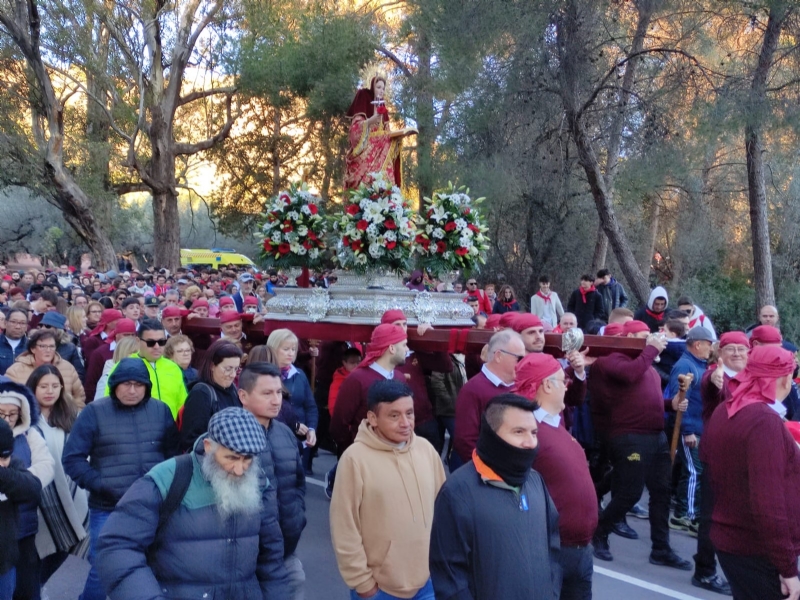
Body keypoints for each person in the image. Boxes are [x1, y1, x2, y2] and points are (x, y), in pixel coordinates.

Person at [95, 407, 289, 599]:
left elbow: (270, 559)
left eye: (248, 460)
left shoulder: (259, 483)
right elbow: (117, 545)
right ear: (208, 446)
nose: (239, 470)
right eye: (231, 458)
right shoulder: (169, 477)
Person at [63, 357, 178, 600]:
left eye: (139, 384)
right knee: (103, 568)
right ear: (114, 384)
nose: (132, 390)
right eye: (126, 384)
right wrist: (101, 485)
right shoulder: (95, 412)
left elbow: (173, 456)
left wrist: (164, 490)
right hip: (108, 507)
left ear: (147, 386)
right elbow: (72, 459)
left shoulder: (160, 410)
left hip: (152, 506)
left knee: (150, 565)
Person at [429, 394, 560, 600]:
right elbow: (450, 579)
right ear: (492, 435)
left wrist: (551, 593)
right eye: (519, 432)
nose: (530, 442)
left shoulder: (535, 482)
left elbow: (552, 549)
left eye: (534, 432)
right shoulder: (457, 493)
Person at [588, 320, 692, 569]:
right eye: (643, 336)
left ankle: (661, 548)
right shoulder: (610, 360)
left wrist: (671, 405)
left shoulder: (648, 367)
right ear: (628, 336)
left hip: (655, 436)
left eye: (650, 336)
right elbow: (629, 375)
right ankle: (599, 532)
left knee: (661, 491)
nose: (650, 339)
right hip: (628, 435)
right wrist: (652, 349)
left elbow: (650, 399)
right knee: (630, 492)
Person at [330, 380, 444, 600]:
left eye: (409, 414)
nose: (405, 423)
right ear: (373, 418)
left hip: (427, 584)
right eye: (394, 415)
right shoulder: (355, 459)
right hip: (379, 590)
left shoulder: (426, 451)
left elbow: (444, 511)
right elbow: (344, 526)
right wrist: (363, 584)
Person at [702, 345, 800, 600]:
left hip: (733, 538)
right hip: (757, 549)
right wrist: (787, 567)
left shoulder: (727, 409)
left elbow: (708, 458)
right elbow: (768, 502)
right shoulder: (763, 421)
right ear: (786, 378)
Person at [516, 355, 597, 599]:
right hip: (551, 549)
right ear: (547, 385)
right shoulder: (528, 433)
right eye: (563, 380)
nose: (567, 385)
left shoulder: (554, 425)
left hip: (580, 549)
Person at [239, 363, 307, 600]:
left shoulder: (284, 432)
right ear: (243, 396)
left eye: (278, 392)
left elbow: (298, 481)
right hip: (244, 557)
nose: (276, 400)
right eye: (267, 393)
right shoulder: (229, 438)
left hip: (285, 550)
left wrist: (298, 517)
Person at [24, 366, 88, 587]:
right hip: (37, 501)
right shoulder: (23, 418)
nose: (49, 391)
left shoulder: (73, 415)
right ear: (32, 388)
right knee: (34, 560)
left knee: (64, 548)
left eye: (55, 386)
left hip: (73, 498)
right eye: (43, 386)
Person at [0, 377, 55, 600]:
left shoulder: (28, 434)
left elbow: (45, 468)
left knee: (25, 587)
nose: (7, 419)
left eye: (12, 414)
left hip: (24, 525)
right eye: (1, 413)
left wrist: (14, 480)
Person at [330, 324, 408, 454]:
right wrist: (354, 450)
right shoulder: (357, 379)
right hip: (362, 456)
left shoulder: (400, 378)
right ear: (392, 348)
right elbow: (339, 424)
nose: (407, 349)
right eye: (404, 345)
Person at [666, 327, 714, 535]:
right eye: (709, 344)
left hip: (698, 426)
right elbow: (680, 401)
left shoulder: (698, 365)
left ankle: (686, 512)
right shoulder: (686, 365)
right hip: (691, 429)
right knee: (694, 472)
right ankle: (688, 515)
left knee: (694, 471)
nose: (711, 348)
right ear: (698, 344)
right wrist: (687, 430)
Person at [453, 329, 525, 463]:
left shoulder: (519, 385)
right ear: (498, 356)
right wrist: (489, 470)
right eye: (519, 358)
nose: (523, 363)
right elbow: (465, 440)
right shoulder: (472, 390)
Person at [105, 318, 188, 420]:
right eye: (151, 342)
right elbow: (108, 402)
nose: (157, 346)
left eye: (162, 342)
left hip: (170, 431)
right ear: (138, 341)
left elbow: (182, 405)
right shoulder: (123, 367)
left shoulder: (173, 368)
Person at [345, 74, 414, 190]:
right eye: (378, 87)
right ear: (372, 87)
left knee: (384, 187)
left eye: (383, 88)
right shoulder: (363, 100)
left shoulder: (383, 109)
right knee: (364, 189)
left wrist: (398, 137)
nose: (381, 91)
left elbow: (387, 132)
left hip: (383, 154)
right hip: (365, 155)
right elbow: (355, 131)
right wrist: (370, 121)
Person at [0, 418, 43, 600]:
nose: (2, 463)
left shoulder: (11, 467)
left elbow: (33, 488)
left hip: (4, 562)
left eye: (4, 457)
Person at [178, 340, 244, 453]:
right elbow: (191, 440)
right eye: (228, 369)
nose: (233, 375)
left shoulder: (232, 389)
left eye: (236, 369)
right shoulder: (201, 394)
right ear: (212, 366)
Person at [267, 329, 318, 473]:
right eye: (286, 349)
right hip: (277, 439)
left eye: (293, 349)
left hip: (302, 439)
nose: (291, 353)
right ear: (273, 348)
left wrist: (312, 429)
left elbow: (311, 407)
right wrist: (293, 425)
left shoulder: (300, 375)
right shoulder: (265, 375)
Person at [5, 329, 86, 408]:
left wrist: (74, 416)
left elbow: (79, 397)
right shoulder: (15, 370)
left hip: (63, 419)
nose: (48, 350)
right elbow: (6, 400)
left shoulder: (68, 368)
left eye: (51, 346)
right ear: (33, 349)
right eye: (42, 346)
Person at [84, 318, 138, 402]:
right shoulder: (100, 353)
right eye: (126, 335)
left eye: (133, 335)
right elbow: (91, 383)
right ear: (117, 334)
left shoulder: (138, 349)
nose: (130, 338)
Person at [93, 336, 140, 402]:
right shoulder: (106, 379)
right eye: (135, 353)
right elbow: (98, 407)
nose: (139, 357)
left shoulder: (144, 376)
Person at [328, 347, 362, 417]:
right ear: (344, 363)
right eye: (352, 362)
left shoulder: (364, 377)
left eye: (358, 362)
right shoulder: (338, 380)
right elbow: (333, 406)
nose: (356, 365)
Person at [0, 309, 28, 376]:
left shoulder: (32, 346)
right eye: (13, 322)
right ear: (5, 323)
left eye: (22, 323)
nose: (17, 327)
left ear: (26, 326)